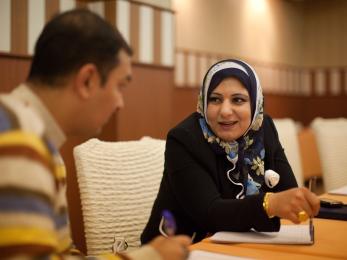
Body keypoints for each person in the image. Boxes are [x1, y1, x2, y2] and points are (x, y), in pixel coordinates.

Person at [0, 9, 190, 260]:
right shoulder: (21, 139)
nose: (120, 103)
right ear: (87, 80)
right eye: (120, 86)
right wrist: (150, 256)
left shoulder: (36, 138)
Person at [141, 59, 320, 244]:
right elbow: (210, 213)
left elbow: (288, 191)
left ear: (255, 103)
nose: (225, 111)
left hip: (240, 245)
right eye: (215, 99)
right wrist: (270, 204)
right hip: (178, 249)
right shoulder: (184, 139)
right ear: (203, 101)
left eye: (238, 100)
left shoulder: (262, 128)